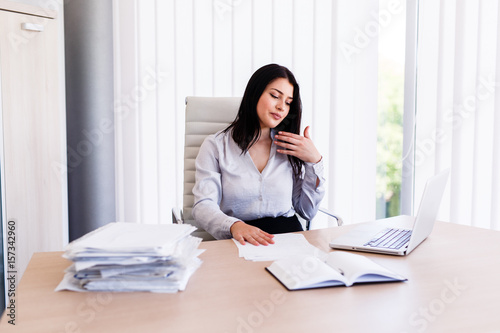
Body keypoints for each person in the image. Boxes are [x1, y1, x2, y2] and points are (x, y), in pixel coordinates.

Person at [192, 64, 325, 246]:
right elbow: (203, 206)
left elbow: (307, 211)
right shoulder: (215, 146)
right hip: (240, 240)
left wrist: (314, 162)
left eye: (288, 102)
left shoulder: (289, 147)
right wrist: (234, 226)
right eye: (275, 96)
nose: (281, 107)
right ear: (255, 93)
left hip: (289, 239)